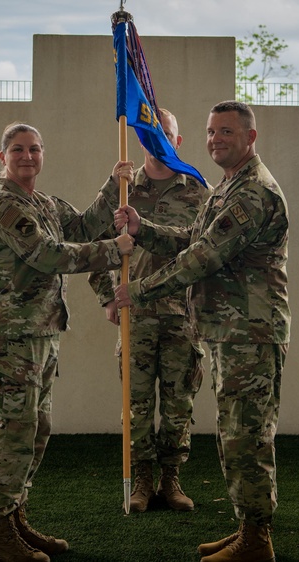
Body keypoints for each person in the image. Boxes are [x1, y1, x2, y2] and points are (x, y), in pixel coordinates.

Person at [114, 100, 289, 562]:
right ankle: (248, 531)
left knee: (247, 437)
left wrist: (140, 290)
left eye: (227, 132)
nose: (216, 140)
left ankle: (256, 540)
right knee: (234, 433)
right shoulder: (229, 187)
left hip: (250, 334)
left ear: (250, 137)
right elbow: (194, 237)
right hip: (230, 333)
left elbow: (204, 257)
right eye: (211, 131)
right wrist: (143, 227)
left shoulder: (253, 192)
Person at [0, 122, 134, 562]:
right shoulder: (1, 204)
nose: (28, 156)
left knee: (37, 428)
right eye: (19, 149)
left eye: (35, 149)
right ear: (2, 157)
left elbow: (81, 226)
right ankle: (1, 534)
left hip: (43, 331)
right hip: (14, 334)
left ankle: (18, 517)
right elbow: (47, 254)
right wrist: (112, 249)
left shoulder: (43, 202)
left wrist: (114, 183)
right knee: (12, 430)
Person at [89, 108, 210, 513]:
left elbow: (197, 247)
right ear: (140, 140)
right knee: (136, 402)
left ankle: (171, 481)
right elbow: (96, 247)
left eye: (166, 135)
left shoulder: (199, 192)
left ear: (177, 142)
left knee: (179, 403)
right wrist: (107, 296)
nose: (157, 141)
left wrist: (146, 230)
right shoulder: (123, 190)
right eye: (149, 134)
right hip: (135, 316)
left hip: (183, 316)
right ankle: (141, 480)